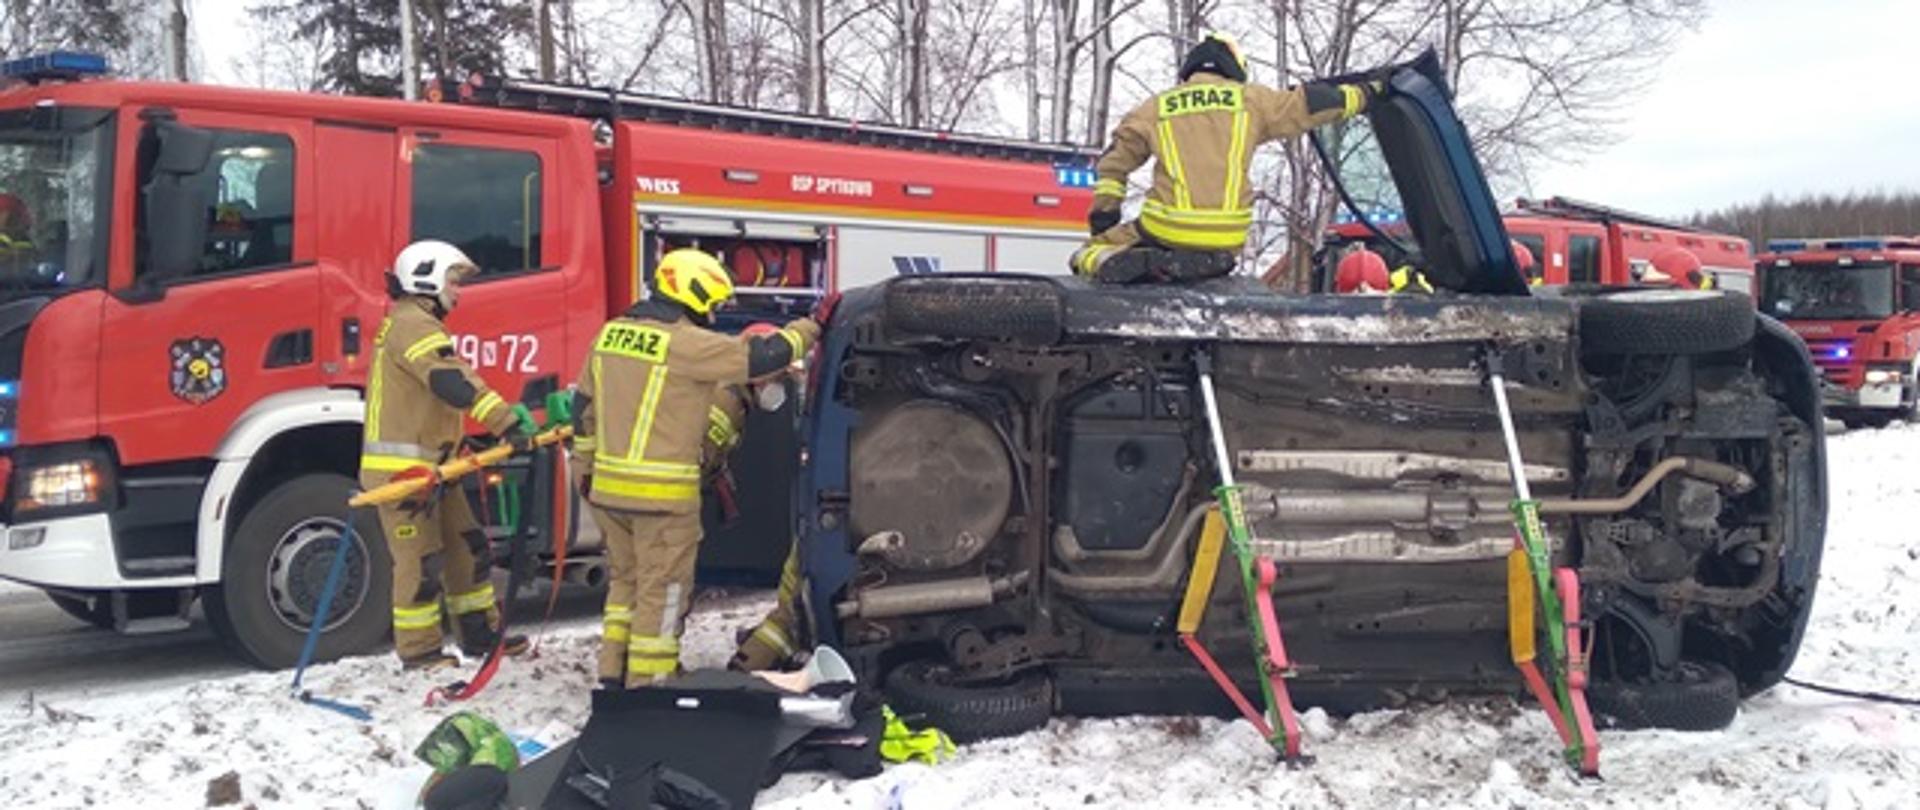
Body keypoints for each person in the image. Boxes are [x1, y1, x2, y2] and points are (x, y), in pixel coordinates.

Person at [572, 248, 829, 689]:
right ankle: (651, 685)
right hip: (661, 500)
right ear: (693, 293)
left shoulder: (609, 335)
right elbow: (762, 357)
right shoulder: (686, 343)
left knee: (625, 586)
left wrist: (586, 469)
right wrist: (813, 324)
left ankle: (613, 673)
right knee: (663, 593)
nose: (712, 312)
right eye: (711, 302)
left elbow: (583, 408)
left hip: (609, 494)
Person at [1071, 33, 1381, 284]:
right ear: (1234, 69)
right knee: (1210, 247)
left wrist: (1104, 219)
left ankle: (1131, 261)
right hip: (1228, 235)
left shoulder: (1153, 109)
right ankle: (1201, 263)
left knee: (1086, 254)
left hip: (1166, 229)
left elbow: (1113, 167)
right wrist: (1367, 93)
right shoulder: (1251, 101)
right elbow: (1311, 104)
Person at [361, 240, 538, 671]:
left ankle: (479, 635)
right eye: (453, 282)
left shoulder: (413, 322)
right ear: (427, 280)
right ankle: (419, 651)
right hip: (404, 476)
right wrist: (505, 422)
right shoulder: (414, 325)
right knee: (420, 563)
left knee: (467, 549)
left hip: (437, 469)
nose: (458, 292)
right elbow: (451, 382)